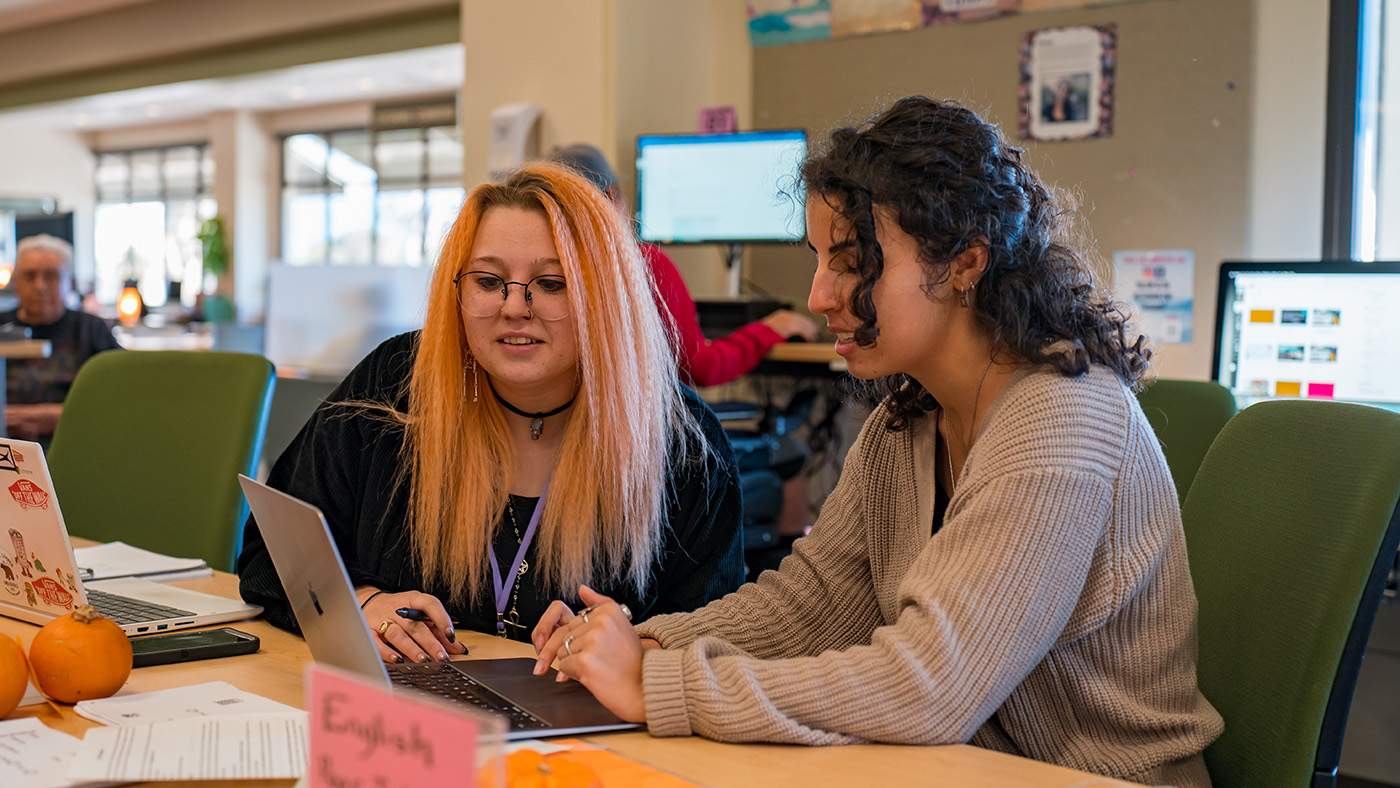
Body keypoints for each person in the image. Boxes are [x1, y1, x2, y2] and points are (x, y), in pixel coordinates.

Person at [530, 97, 1224, 788]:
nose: (820, 294)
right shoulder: (909, 420)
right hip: (969, 768)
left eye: (853, 261)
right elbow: (811, 603)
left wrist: (658, 685)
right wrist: (635, 644)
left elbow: (931, 685)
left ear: (964, 262)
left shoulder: (1062, 418)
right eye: (820, 259)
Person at [237, 163, 745, 664]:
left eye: (552, 283)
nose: (514, 307)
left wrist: (629, 646)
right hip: (405, 720)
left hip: (588, 732)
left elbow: (715, 635)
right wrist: (363, 604)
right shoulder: (395, 385)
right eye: (488, 280)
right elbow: (269, 554)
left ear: (605, 297)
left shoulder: (684, 442)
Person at [547, 143, 819, 386]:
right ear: (612, 197)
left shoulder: (544, 272)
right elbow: (700, 367)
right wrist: (774, 327)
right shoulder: (641, 264)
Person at [1, 234, 121, 441]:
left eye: (51, 276)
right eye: (29, 276)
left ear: (70, 281)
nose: (39, 286)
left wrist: (43, 417)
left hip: (73, 440)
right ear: (16, 281)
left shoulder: (91, 329)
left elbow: (119, 397)